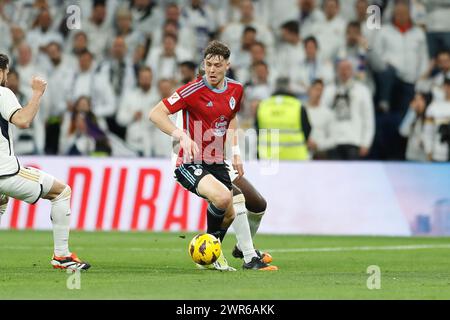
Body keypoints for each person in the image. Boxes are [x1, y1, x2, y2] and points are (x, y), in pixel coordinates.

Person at [149, 41, 276, 271]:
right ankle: (249, 257)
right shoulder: (192, 90)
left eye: (217, 65)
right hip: (189, 160)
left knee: (256, 204)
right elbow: (156, 114)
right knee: (230, 197)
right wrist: (181, 135)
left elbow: (230, 117)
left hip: (217, 159)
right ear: (204, 65)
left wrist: (235, 152)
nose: (212, 70)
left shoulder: (236, 89)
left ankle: (221, 250)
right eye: (208, 65)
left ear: (227, 65)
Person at [0, 53, 89, 270]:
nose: (7, 78)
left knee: (1, 201)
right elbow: (22, 120)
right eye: (7, 73)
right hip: (5, 171)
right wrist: (37, 94)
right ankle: (62, 256)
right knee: (61, 192)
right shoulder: (2, 93)